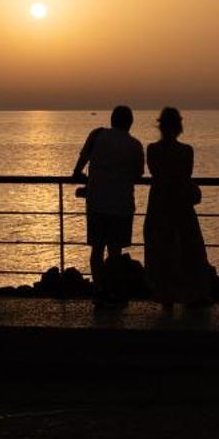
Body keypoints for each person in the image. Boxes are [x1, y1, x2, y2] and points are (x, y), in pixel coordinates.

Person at [71, 105, 145, 306]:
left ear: (112, 120)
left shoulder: (96, 135)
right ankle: (113, 290)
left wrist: (88, 181)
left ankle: (98, 289)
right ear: (130, 123)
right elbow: (138, 174)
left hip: (96, 203)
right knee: (115, 252)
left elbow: (78, 168)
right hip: (121, 205)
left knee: (96, 249)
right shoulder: (135, 145)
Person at [144, 107, 216, 312]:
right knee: (188, 249)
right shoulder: (186, 151)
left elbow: (156, 173)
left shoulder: (152, 150)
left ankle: (165, 295)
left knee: (162, 249)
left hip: (159, 204)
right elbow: (185, 176)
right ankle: (191, 293)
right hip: (181, 204)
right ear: (179, 127)